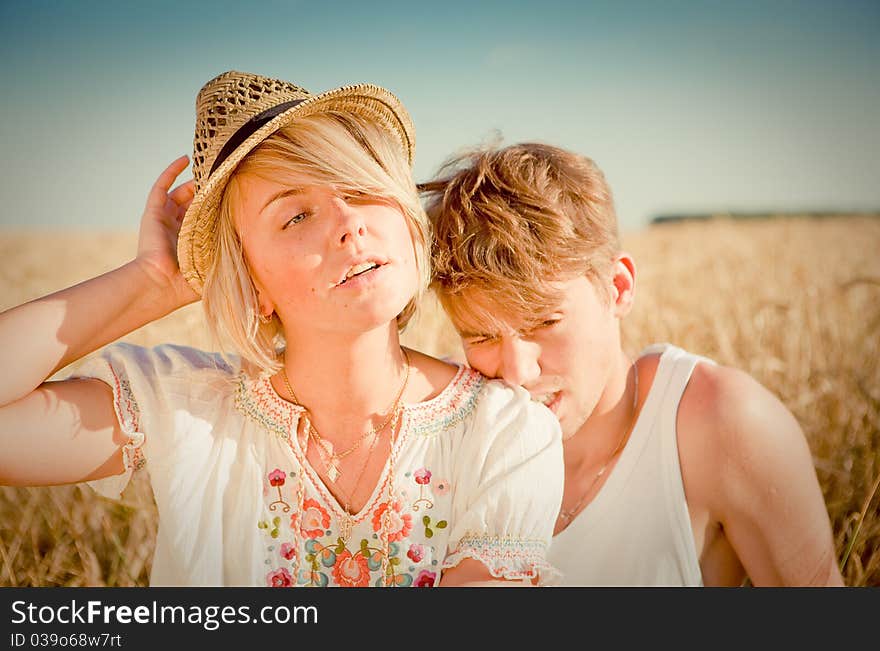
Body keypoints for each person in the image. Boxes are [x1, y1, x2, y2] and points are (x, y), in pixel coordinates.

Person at [0, 72, 564, 587]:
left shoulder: (506, 433)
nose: (349, 224)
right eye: (296, 215)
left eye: (362, 188)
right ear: (252, 280)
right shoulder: (186, 411)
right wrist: (154, 282)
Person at [421, 142, 844, 586]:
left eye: (544, 322)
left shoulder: (723, 424)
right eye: (481, 336)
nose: (517, 374)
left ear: (617, 288)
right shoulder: (443, 422)